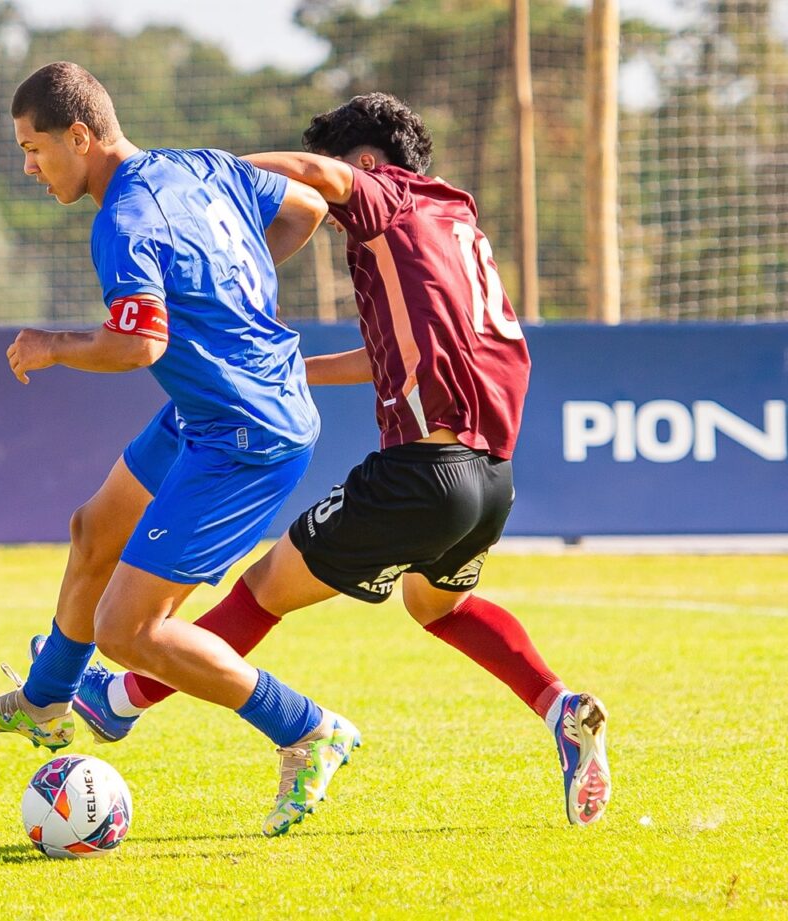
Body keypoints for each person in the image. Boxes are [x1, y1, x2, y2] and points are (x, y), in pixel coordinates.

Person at [57, 93, 612, 827]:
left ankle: (118, 698)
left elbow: (320, 175)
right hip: (490, 479)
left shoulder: (385, 198)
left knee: (260, 589)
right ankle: (559, 704)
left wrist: (197, 181)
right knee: (434, 604)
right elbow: (392, 360)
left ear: (372, 163)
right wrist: (294, 369)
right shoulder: (451, 221)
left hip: (421, 475)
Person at [0, 62, 361, 839]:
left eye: (35, 149)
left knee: (128, 630)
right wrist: (232, 289)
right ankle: (45, 700)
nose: (29, 167)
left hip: (249, 432)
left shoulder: (124, 221)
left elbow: (139, 343)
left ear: (80, 135)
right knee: (94, 528)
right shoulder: (199, 167)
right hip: (208, 409)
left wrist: (54, 344)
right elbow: (305, 205)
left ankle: (306, 729)